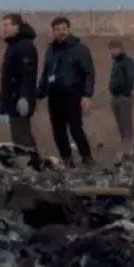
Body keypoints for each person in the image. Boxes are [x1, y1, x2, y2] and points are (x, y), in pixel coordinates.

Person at [37, 17, 96, 166]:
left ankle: (87, 158)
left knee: (76, 129)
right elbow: (46, 73)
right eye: (57, 29)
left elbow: (88, 72)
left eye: (63, 28)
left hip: (72, 95)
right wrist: (38, 94)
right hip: (54, 97)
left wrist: (87, 95)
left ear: (68, 29)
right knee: (58, 132)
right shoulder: (51, 50)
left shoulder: (79, 49)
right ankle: (67, 161)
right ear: (53, 31)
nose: (60, 32)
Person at [0, 14, 39, 150]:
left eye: (6, 25)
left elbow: (27, 74)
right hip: (13, 96)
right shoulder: (14, 44)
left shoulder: (24, 45)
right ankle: (27, 161)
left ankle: (34, 163)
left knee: (22, 135)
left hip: (19, 97)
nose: (4, 29)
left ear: (17, 26)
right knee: (17, 135)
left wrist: (24, 97)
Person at [107, 40, 134, 150]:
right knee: (120, 123)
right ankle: (125, 145)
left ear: (120, 49)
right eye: (111, 50)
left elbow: (130, 79)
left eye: (114, 49)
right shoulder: (116, 62)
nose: (112, 52)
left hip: (124, 98)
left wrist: (126, 93)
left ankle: (128, 147)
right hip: (115, 97)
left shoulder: (127, 62)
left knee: (126, 123)